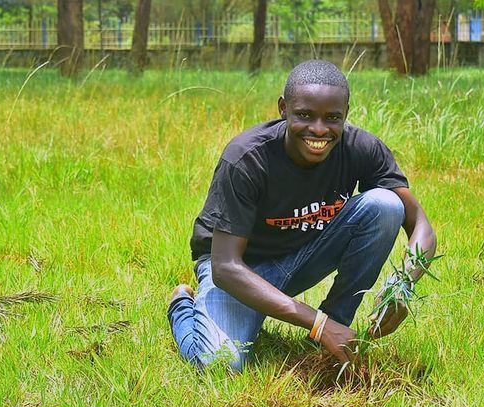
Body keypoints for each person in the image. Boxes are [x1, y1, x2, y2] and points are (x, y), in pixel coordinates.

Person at [167, 59, 436, 373]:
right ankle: (181, 306)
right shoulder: (246, 158)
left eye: (332, 118)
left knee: (386, 205)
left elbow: (421, 225)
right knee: (219, 365)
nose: (319, 130)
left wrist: (402, 285)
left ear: (346, 113)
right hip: (240, 273)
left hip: (303, 255)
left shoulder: (361, 148)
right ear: (284, 108)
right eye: (305, 115)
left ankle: (335, 327)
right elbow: (225, 267)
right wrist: (317, 323)